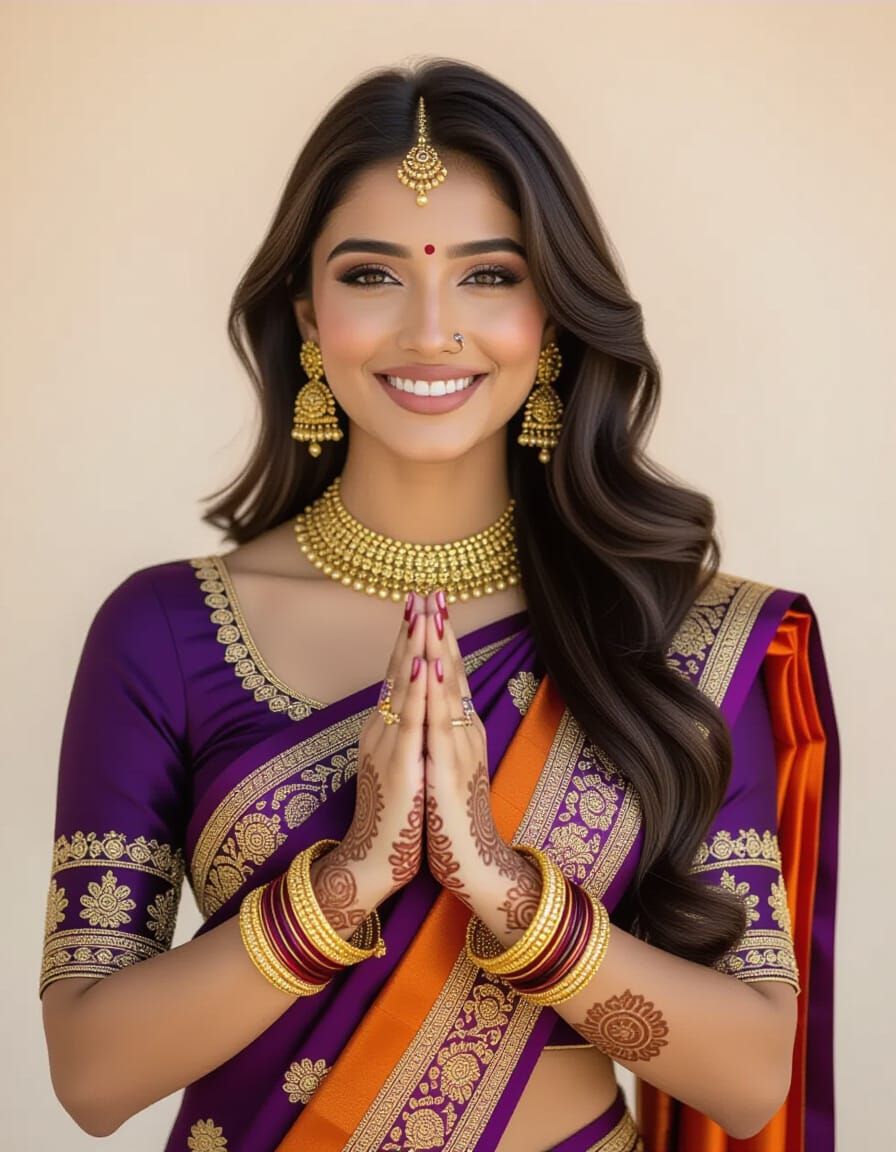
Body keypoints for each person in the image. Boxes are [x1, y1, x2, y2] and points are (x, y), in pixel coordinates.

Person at [38, 60, 839, 1152]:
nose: (429, 328)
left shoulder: (671, 638)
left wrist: (508, 893)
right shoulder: (165, 630)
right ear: (305, 315)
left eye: (487, 276)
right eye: (371, 276)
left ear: (550, 317)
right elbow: (91, 1075)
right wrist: (346, 881)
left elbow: (749, 1078)